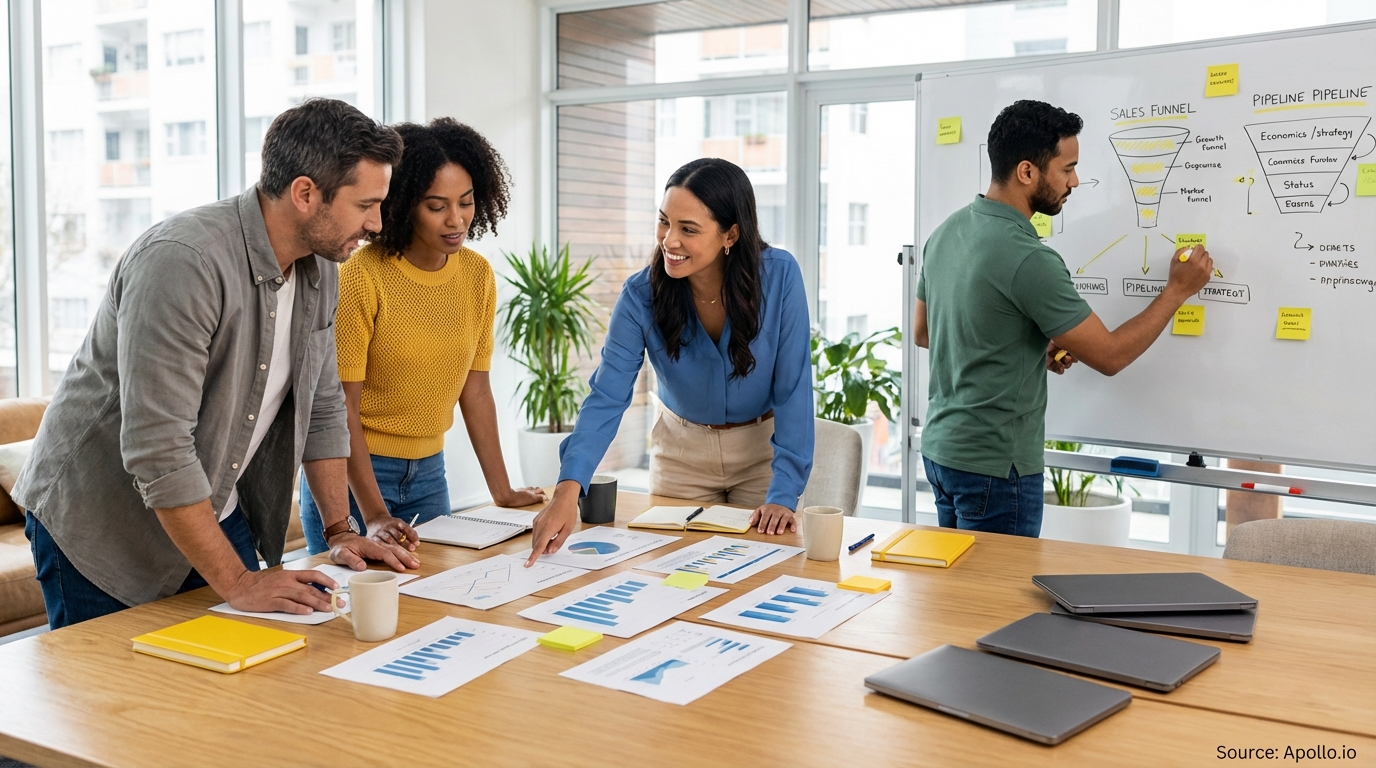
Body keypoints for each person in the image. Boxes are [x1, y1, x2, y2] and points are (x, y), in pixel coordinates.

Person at [13, 99, 418, 629]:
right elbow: (158, 449)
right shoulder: (184, 261)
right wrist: (241, 582)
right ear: (305, 193)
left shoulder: (323, 268)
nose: (376, 223)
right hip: (104, 526)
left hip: (211, 505)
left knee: (238, 677)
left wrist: (341, 531)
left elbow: (320, 409)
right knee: (123, 704)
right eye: (366, 204)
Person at [913, 99, 1214, 537]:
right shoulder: (1028, 257)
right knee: (997, 604)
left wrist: (1029, 341)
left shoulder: (947, 231)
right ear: (1027, 172)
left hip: (943, 454)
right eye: (1066, 168)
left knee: (962, 601)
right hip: (996, 470)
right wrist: (1177, 291)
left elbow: (926, 333)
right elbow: (1110, 356)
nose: (1074, 181)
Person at [526, 158, 814, 565]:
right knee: (675, 578)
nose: (669, 240)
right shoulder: (640, 294)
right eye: (664, 222)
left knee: (759, 572)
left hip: (761, 458)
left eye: (688, 229)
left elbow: (793, 389)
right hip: (681, 458)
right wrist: (567, 491)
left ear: (730, 234)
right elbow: (607, 396)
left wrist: (784, 494)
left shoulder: (780, 276)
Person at [298, 118, 545, 554]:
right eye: (436, 206)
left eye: (466, 202)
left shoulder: (476, 275)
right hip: (356, 478)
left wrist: (502, 491)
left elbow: (476, 390)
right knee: (349, 613)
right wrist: (373, 515)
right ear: (404, 204)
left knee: (431, 607)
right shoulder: (361, 276)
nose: (457, 219)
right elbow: (341, 408)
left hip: (431, 475)